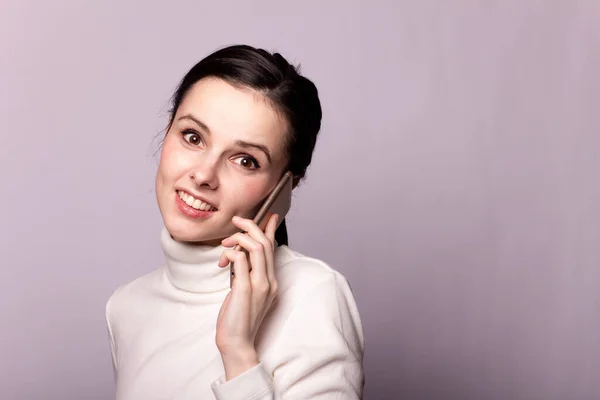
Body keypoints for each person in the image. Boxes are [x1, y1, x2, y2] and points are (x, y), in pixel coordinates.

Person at [105, 45, 365, 399]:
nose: (203, 175)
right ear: (167, 130)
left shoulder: (313, 294)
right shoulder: (125, 307)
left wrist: (238, 352)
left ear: (285, 186)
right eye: (193, 137)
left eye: (245, 160)